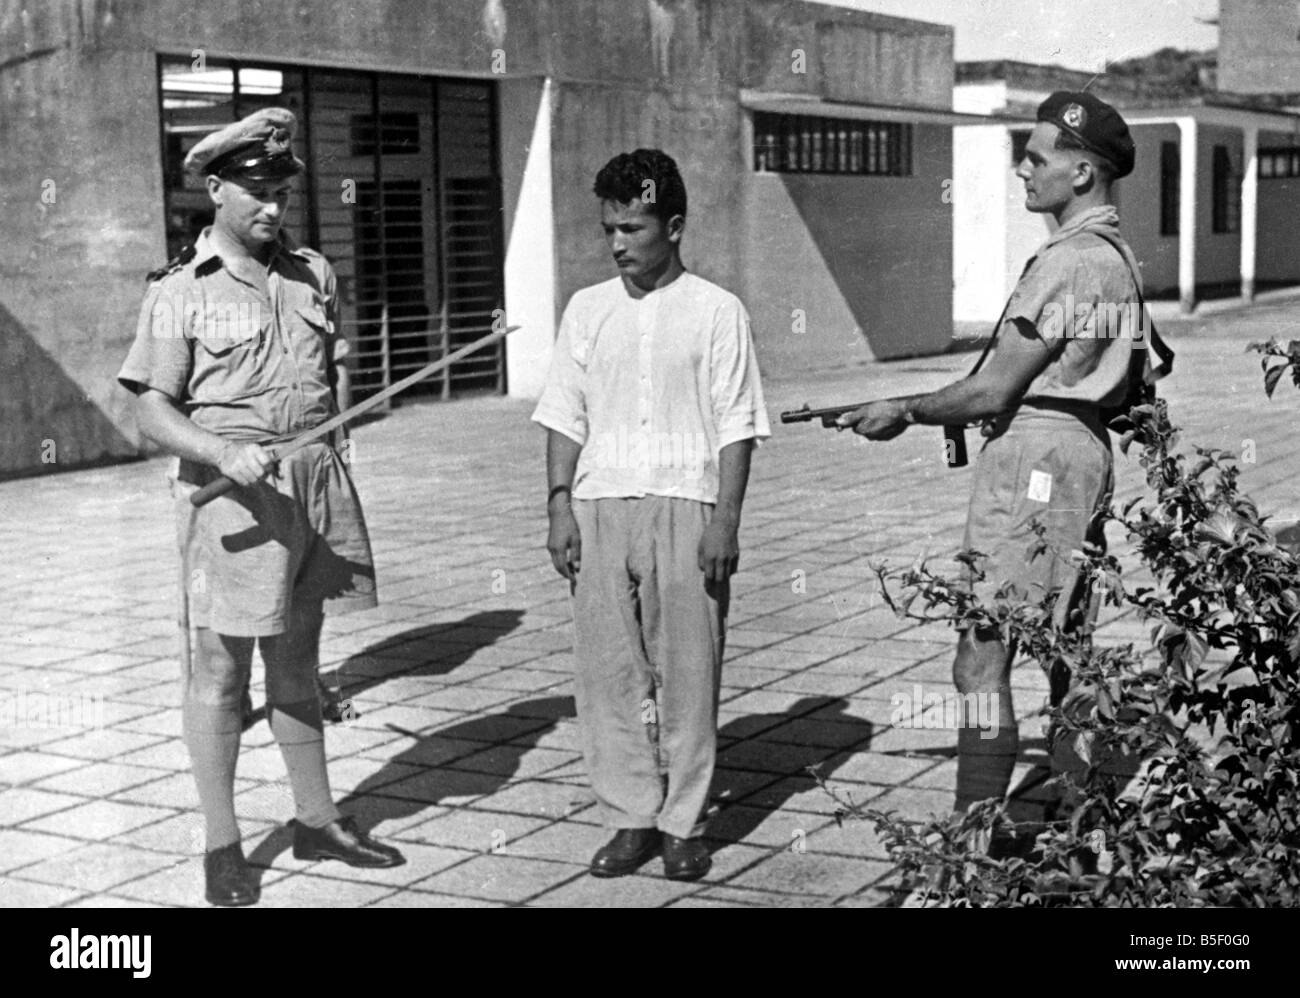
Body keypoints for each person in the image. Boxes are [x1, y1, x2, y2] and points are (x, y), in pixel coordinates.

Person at [838, 92, 1171, 887]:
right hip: (1073, 455)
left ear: (1081, 169)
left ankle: (966, 853)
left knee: (980, 659)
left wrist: (906, 408)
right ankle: (1079, 828)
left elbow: (992, 392)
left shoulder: (1069, 260)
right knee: (1064, 650)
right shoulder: (1113, 256)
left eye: (1037, 155)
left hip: (1036, 463)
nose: (1023, 167)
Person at [117, 108, 404, 907]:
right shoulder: (181, 291)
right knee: (218, 672)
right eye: (256, 193)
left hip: (311, 486)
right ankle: (222, 846)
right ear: (215, 189)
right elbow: (151, 408)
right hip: (230, 501)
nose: (274, 208)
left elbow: (328, 370)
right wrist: (217, 450)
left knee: (299, 660)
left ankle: (317, 822)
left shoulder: (313, 273)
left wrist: (335, 446)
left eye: (282, 191)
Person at [533, 149, 770, 881]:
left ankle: (683, 822)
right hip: (601, 505)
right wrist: (558, 507)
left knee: (688, 670)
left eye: (631, 228)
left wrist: (724, 521)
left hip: (684, 505)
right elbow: (563, 415)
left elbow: (737, 423)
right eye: (609, 228)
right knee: (607, 674)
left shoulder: (717, 310)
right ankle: (629, 814)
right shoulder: (587, 309)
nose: (616, 243)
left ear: (673, 226)